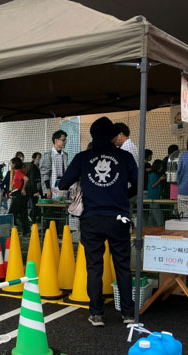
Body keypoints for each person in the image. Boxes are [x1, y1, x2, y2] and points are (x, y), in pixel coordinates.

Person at [59, 116, 138, 327]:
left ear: (93, 136)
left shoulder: (83, 157)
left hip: (91, 218)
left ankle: (96, 314)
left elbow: (63, 183)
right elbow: (140, 184)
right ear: (113, 135)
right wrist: (122, 195)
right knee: (122, 266)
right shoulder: (125, 157)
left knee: (94, 267)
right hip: (119, 217)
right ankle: (128, 313)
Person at [39, 130, 68, 198]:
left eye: (65, 140)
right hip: (50, 188)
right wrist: (48, 189)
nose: (65, 142)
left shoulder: (65, 155)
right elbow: (45, 174)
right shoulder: (47, 155)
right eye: (63, 140)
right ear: (56, 141)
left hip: (61, 187)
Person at [8, 157, 29, 235]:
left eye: (11, 163)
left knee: (12, 213)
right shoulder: (16, 172)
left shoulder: (18, 172)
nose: (11, 165)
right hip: (18, 193)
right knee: (23, 213)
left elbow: (26, 179)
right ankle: (25, 230)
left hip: (18, 194)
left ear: (14, 164)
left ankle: (13, 228)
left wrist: (23, 188)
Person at [147, 159, 166, 226]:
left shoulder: (156, 175)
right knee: (157, 213)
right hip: (153, 197)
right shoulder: (153, 175)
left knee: (152, 214)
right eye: (161, 166)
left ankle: (151, 227)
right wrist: (160, 179)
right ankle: (160, 226)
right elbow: (152, 185)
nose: (162, 168)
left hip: (156, 197)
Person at [26, 152, 42, 223]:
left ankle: (33, 218)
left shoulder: (38, 167)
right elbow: (32, 180)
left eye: (40, 158)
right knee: (35, 205)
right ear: (34, 158)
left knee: (36, 206)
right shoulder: (32, 167)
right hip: (32, 190)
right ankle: (33, 221)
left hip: (37, 189)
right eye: (38, 158)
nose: (40, 159)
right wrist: (35, 191)